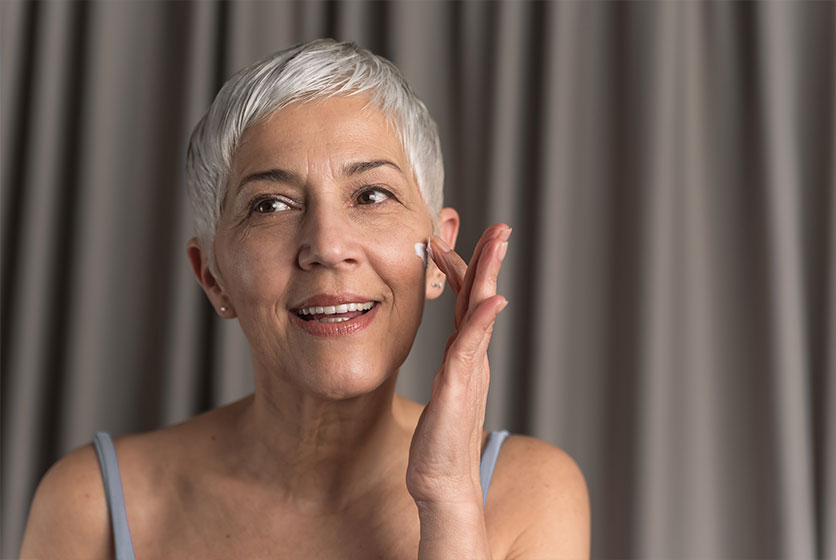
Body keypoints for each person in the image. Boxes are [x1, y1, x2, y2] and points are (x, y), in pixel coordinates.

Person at [20, 39, 589, 559]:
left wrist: (447, 502)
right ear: (213, 276)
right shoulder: (89, 501)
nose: (328, 246)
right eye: (270, 205)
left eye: (371, 194)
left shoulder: (531, 492)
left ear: (438, 255)